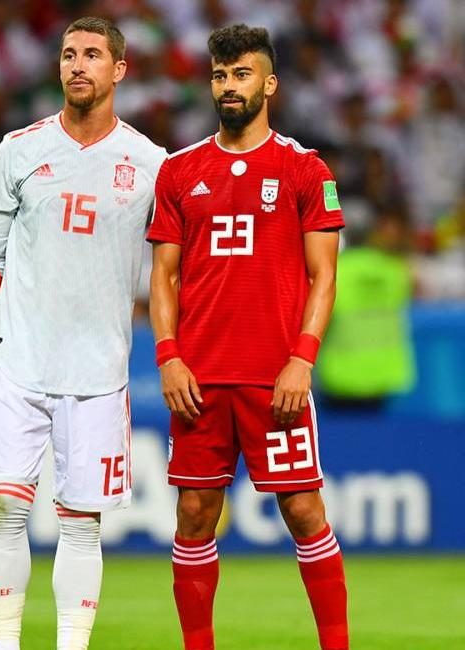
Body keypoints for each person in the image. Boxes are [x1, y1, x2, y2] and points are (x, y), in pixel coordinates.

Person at [0, 17, 166, 650]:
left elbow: (174, 267)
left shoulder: (151, 164)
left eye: (93, 55)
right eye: (69, 54)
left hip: (99, 371)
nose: (78, 65)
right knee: (6, 508)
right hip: (15, 360)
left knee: (81, 524)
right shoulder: (18, 150)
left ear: (119, 70)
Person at [148, 24, 348, 650]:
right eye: (219, 75)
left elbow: (324, 277)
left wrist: (302, 360)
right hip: (199, 381)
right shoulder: (179, 171)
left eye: (241, 74)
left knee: (304, 511)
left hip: (275, 377)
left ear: (270, 84)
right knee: (194, 514)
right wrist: (169, 357)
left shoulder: (305, 169)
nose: (229, 86)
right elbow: (163, 276)